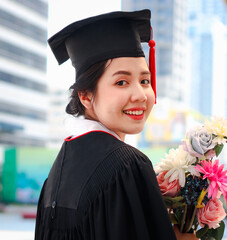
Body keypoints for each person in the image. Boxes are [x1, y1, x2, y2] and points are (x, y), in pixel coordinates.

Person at [35, 10, 197, 240]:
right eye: (121, 82)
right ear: (85, 96)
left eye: (144, 80)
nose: (140, 95)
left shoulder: (56, 175)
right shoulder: (127, 165)